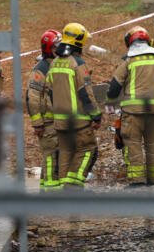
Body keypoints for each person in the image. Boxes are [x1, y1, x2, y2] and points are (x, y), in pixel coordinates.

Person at [107, 26, 154, 187]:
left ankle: (137, 182)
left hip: (133, 113)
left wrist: (110, 100)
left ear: (129, 42)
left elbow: (114, 87)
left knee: (133, 145)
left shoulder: (129, 60)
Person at [47, 23, 101, 188]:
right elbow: (85, 93)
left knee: (66, 153)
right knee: (88, 150)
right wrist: (96, 115)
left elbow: (49, 91)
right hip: (79, 122)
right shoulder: (77, 63)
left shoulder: (55, 62)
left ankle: (64, 191)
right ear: (79, 41)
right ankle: (74, 187)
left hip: (60, 122)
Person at [27, 29, 62, 191]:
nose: (59, 49)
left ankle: (50, 190)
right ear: (48, 48)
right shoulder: (40, 69)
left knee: (58, 156)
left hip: (58, 120)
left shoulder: (58, 65)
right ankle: (49, 193)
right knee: (50, 157)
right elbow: (32, 97)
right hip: (47, 123)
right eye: (56, 47)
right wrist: (37, 123)